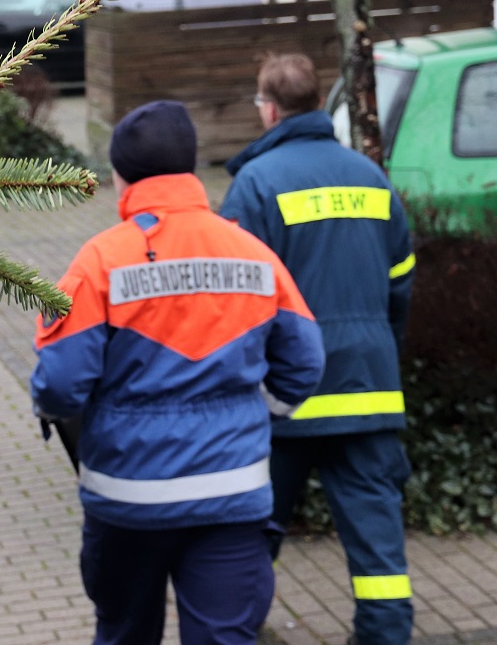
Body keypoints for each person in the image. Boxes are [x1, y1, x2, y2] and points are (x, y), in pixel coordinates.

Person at [32, 100, 325, 645]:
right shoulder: (253, 253)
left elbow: (61, 386)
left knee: (124, 634)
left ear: (120, 176)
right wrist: (253, 410)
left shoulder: (97, 262)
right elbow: (305, 361)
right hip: (231, 496)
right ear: (190, 167)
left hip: (127, 499)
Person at [219, 54, 417, 645]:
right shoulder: (370, 177)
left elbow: (235, 299)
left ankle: (233, 629)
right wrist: (383, 349)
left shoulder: (255, 184)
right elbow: (401, 279)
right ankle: (385, 636)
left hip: (286, 401)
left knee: (253, 533)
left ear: (271, 108)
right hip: (367, 387)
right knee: (378, 544)